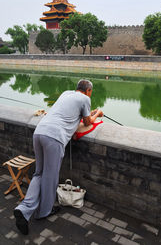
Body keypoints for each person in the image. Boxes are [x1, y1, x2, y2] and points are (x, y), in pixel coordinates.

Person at [13, 79, 103, 235]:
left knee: (39, 173)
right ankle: (43, 212)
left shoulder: (66, 93)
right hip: (54, 138)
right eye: (91, 92)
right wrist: (97, 113)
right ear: (88, 91)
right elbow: (88, 122)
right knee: (50, 177)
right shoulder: (85, 99)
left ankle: (23, 208)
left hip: (39, 132)